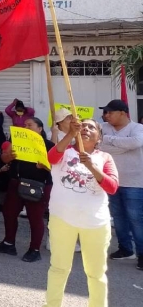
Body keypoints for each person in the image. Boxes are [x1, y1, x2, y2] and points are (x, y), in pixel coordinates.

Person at [45, 118, 119, 307]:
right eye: (83, 125)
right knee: (59, 268)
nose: (86, 128)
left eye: (91, 127)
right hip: (62, 219)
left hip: (95, 223)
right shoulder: (65, 151)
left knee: (96, 273)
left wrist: (92, 167)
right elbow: (51, 158)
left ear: (99, 138)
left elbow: (112, 187)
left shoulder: (105, 158)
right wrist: (70, 134)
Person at [0, 117, 54, 262]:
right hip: (16, 182)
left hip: (38, 185)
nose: (26, 127)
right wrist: (8, 156)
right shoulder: (17, 143)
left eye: (30, 125)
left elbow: (54, 167)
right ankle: (8, 243)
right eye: (24, 124)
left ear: (40, 129)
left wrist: (43, 166)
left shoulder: (49, 145)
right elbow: (4, 159)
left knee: (35, 218)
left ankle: (34, 250)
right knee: (9, 213)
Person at [98, 99, 143, 270]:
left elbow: (136, 143)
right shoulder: (103, 127)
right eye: (105, 112)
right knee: (118, 217)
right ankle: (125, 249)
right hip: (112, 181)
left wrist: (108, 141)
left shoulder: (138, 128)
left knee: (136, 219)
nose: (106, 115)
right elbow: (99, 146)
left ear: (123, 113)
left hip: (135, 182)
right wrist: (122, 145)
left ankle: (142, 254)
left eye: (109, 112)